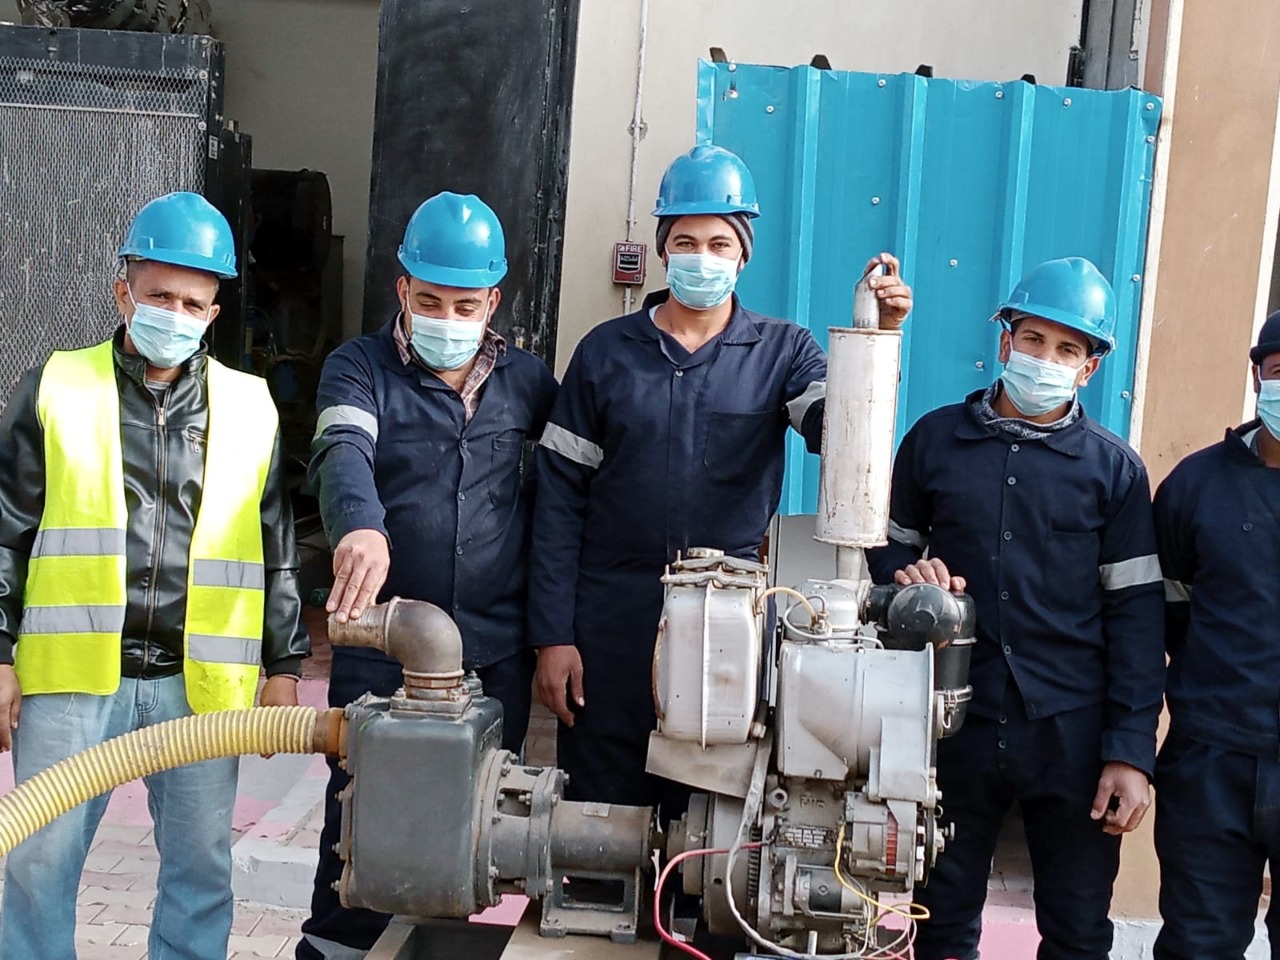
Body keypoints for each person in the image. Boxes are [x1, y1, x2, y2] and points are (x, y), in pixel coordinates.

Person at [528, 144, 912, 810]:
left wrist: (877, 340)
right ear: (662, 249)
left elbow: (839, 430)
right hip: (609, 620)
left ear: (743, 256)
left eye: (718, 243)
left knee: (712, 822)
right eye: (685, 242)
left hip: (727, 620)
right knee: (598, 817)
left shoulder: (782, 352)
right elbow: (558, 503)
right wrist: (554, 636)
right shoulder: (604, 353)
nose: (701, 257)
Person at [0, 191, 309, 960]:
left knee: (200, 872)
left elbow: (276, 544)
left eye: (193, 302)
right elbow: (6, 530)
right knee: (38, 866)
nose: (175, 313)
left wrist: (285, 666)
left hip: (198, 685)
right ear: (123, 292)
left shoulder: (250, 407)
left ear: (214, 312)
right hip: (73, 682)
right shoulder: (56, 387)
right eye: (159, 295)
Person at [866, 256, 1165, 960]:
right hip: (953, 719)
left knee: (1077, 930)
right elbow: (887, 547)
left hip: (1071, 731)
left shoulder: (1114, 471)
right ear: (1005, 342)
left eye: (1067, 349)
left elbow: (1135, 618)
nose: (1045, 359)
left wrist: (1130, 752)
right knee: (940, 921)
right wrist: (907, 575)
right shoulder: (935, 441)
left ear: (1089, 369)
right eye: (1033, 340)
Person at [298, 191, 558, 960]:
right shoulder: (358, 368)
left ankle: (436, 948)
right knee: (360, 826)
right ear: (403, 289)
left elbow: (563, 503)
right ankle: (338, 949)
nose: (448, 318)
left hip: (493, 654)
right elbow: (342, 450)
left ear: (493, 302)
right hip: (384, 652)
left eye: (465, 304)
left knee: (467, 836)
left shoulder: (528, 384)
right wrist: (360, 525)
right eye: (431, 301)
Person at [1151, 310, 1280, 959]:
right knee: (1197, 944)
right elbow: (1167, 615)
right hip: (1210, 764)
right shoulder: (1196, 486)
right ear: (1258, 376)